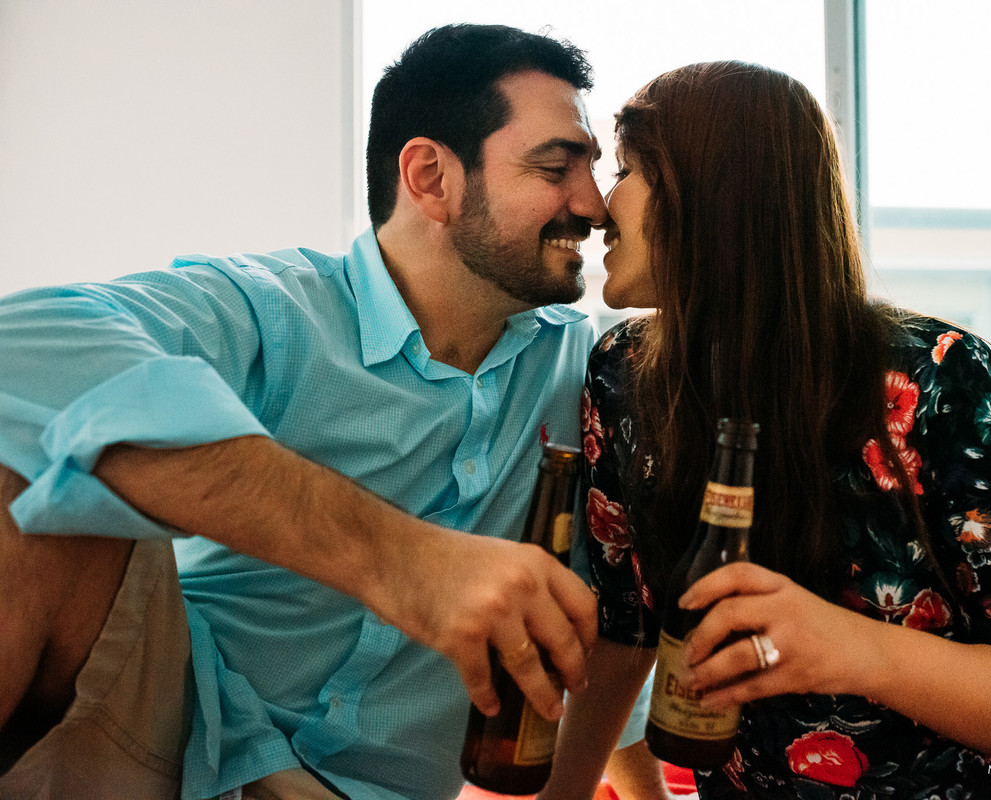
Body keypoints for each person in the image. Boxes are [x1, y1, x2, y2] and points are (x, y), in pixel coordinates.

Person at [540, 61, 991, 799]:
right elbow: (625, 634)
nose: (598, 208)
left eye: (626, 169)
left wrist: (844, 645)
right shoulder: (621, 377)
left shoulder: (937, 374)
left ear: (716, 195)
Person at [0, 23, 609, 800]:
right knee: (27, 484)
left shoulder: (592, 373)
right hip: (179, 740)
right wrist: (404, 561)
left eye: (596, 169)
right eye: (557, 167)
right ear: (430, 177)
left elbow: (626, 604)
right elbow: (20, 347)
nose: (593, 205)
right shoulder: (275, 311)